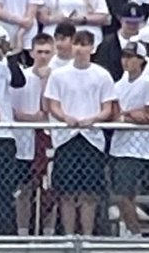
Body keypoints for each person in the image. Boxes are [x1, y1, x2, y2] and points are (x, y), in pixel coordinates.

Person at [44, 29, 115, 236]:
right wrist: (65, 118)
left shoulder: (102, 75)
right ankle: (68, 235)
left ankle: (87, 236)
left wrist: (93, 119)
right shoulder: (58, 75)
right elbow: (53, 104)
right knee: (67, 193)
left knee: (89, 194)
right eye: (77, 44)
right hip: (66, 139)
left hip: (91, 140)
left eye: (85, 45)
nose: (80, 49)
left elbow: (107, 108)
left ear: (92, 48)